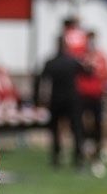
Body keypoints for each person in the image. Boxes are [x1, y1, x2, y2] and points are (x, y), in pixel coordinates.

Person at [36, 38, 85, 167]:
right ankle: (78, 157)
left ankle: (56, 157)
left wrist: (38, 99)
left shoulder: (50, 63)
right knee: (76, 129)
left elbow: (40, 81)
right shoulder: (73, 61)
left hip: (56, 99)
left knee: (55, 130)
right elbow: (87, 72)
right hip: (72, 99)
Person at [76, 29, 107, 166]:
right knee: (82, 123)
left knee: (98, 124)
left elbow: (106, 73)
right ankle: (83, 148)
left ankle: (98, 149)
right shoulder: (81, 56)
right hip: (83, 95)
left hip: (97, 95)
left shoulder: (101, 56)